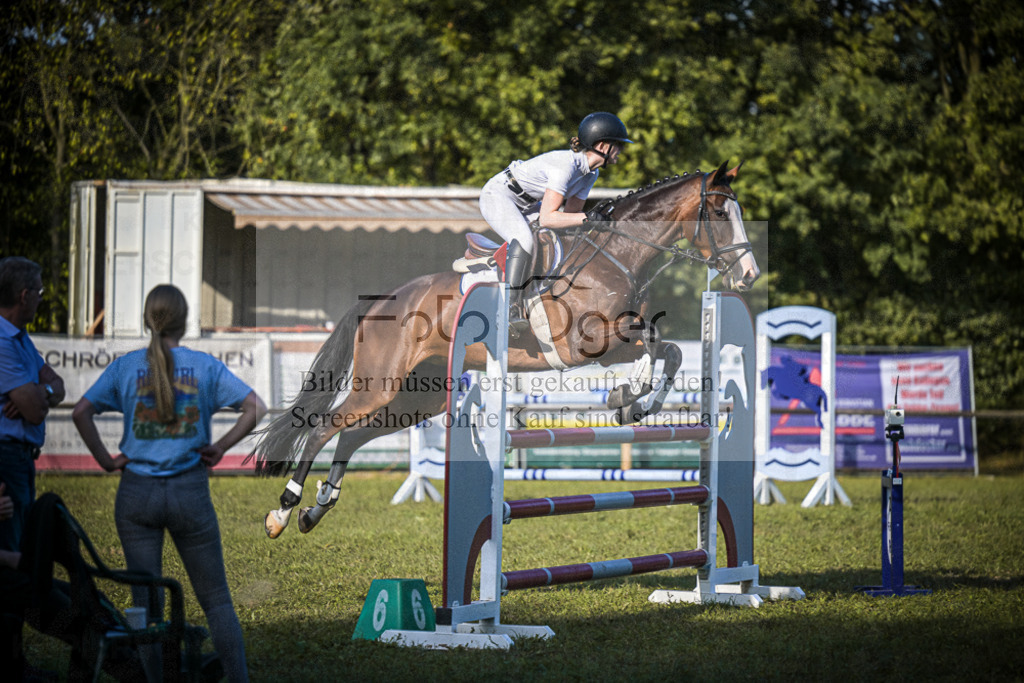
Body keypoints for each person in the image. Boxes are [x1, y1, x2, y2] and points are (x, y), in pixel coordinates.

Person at [72, 284, 267, 683]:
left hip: (136, 495)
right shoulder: (204, 366)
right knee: (215, 600)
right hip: (189, 491)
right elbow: (255, 407)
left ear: (148, 320)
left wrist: (108, 461)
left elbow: (80, 412)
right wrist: (219, 447)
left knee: (145, 605)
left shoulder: (126, 367)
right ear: (185, 319)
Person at [478, 112, 633, 333]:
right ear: (602, 145)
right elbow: (549, 218)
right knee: (524, 240)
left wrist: (588, 221)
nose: (622, 151)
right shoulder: (566, 166)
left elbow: (570, 216)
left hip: (528, 204)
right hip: (499, 196)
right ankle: (509, 309)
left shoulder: (591, 174)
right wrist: (587, 218)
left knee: (555, 240)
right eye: (618, 145)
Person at [0, 256, 65, 555]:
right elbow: (36, 412)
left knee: (23, 546)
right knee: (12, 549)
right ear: (23, 296)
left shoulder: (20, 339)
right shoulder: (3, 341)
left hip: (21, 457)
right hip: (7, 458)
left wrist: (42, 390)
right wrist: (39, 396)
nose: (41, 300)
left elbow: (58, 386)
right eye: (39, 293)